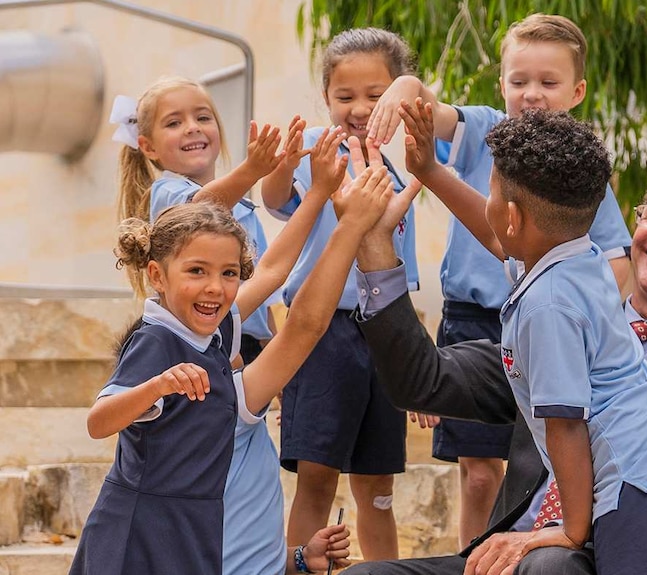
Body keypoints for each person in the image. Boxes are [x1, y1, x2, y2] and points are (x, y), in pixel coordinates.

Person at [342, 130, 647, 573]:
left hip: (617, 555)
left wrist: (562, 533)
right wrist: (376, 240)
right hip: (508, 557)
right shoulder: (571, 301)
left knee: (551, 566)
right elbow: (423, 378)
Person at [70, 149, 409, 574]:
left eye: (229, 274)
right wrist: (156, 387)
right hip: (139, 538)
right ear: (157, 276)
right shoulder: (158, 340)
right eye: (196, 271)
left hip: (188, 535)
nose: (216, 288)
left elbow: (272, 272)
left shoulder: (207, 337)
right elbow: (98, 422)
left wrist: (320, 194)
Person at [365, 14, 633, 546]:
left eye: (548, 82)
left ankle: (542, 539)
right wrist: (403, 86)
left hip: (548, 330)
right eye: (519, 81)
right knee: (481, 473)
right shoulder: (485, 129)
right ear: (501, 85)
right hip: (475, 319)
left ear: (577, 91)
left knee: (541, 454)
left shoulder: (577, 168)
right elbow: (430, 111)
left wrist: (579, 313)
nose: (531, 94)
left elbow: (618, 261)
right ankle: (477, 556)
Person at [260, 27, 420, 560]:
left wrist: (415, 355)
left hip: (382, 333)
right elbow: (278, 198)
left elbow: (400, 274)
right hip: (321, 332)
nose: (359, 108)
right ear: (326, 98)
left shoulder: (397, 172)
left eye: (376, 95)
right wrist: (283, 166)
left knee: (377, 489)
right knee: (318, 477)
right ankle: (299, 567)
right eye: (344, 96)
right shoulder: (320, 153)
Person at [110, 76, 304, 364]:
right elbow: (200, 213)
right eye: (174, 123)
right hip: (197, 342)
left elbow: (261, 293)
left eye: (203, 117)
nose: (192, 128)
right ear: (148, 147)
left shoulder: (245, 211)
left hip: (247, 345)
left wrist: (273, 358)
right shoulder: (166, 193)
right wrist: (251, 171)